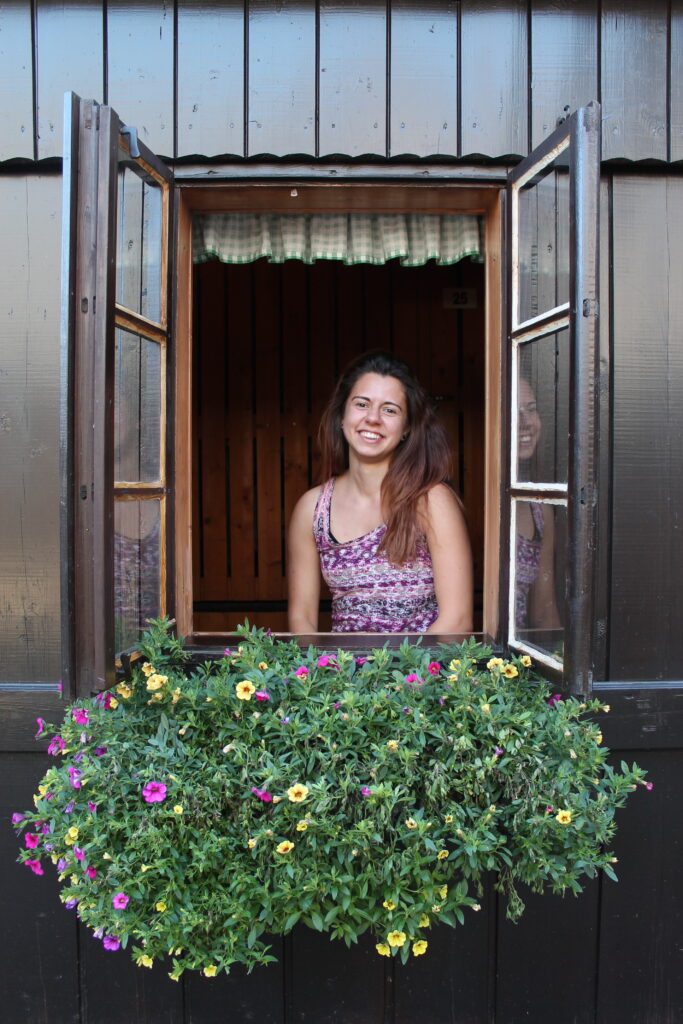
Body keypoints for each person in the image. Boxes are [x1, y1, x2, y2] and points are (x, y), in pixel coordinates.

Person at [287, 351, 473, 634]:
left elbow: (457, 622)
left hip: (424, 662)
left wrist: (403, 666)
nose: (372, 418)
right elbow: (302, 620)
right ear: (342, 415)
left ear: (407, 427)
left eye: (390, 410)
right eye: (362, 404)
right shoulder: (313, 509)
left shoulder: (429, 500)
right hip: (341, 664)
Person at [515, 377, 561, 633]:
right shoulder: (471, 503)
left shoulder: (539, 509)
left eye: (531, 409)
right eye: (514, 410)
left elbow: (544, 613)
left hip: (515, 657)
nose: (525, 422)